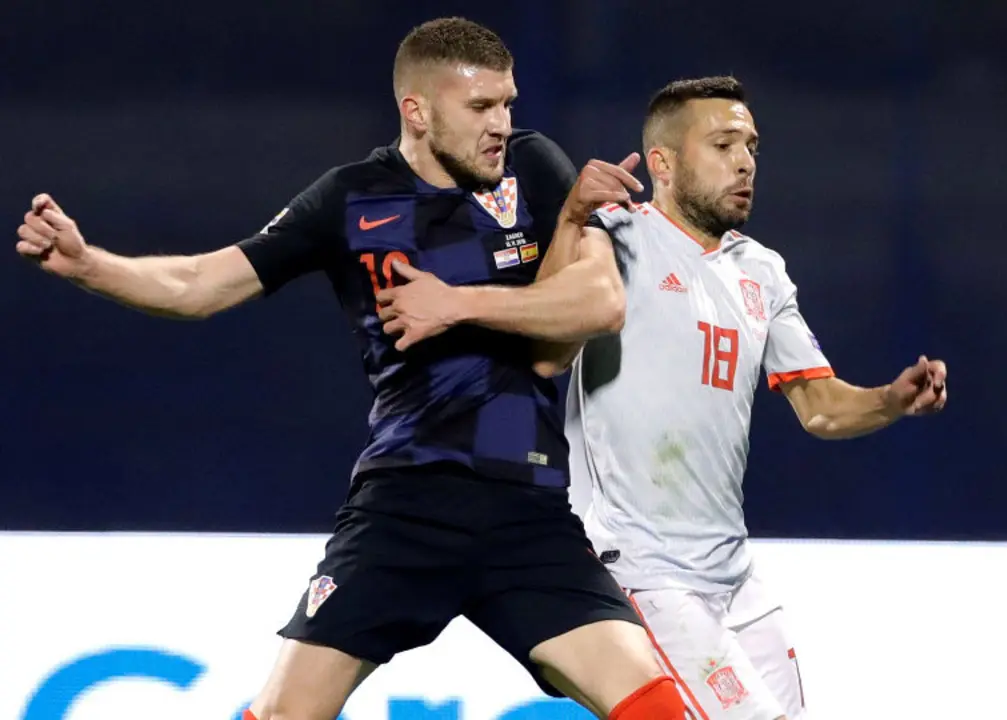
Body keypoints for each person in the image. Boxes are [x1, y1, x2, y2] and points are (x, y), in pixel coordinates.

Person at [14, 17, 686, 720]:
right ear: (417, 111)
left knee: (658, 708)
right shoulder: (349, 198)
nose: (502, 123)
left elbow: (600, 305)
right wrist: (88, 265)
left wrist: (456, 304)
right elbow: (200, 284)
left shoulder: (539, 167)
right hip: (407, 501)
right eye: (481, 107)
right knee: (283, 714)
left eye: (508, 103)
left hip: (530, 507)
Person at [538, 76, 947, 719]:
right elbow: (547, 345)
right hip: (644, 566)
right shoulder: (615, 236)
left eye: (752, 145)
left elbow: (819, 406)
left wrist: (891, 400)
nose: (746, 161)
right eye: (724, 144)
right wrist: (570, 218)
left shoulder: (761, 269)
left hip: (734, 573)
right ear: (664, 164)